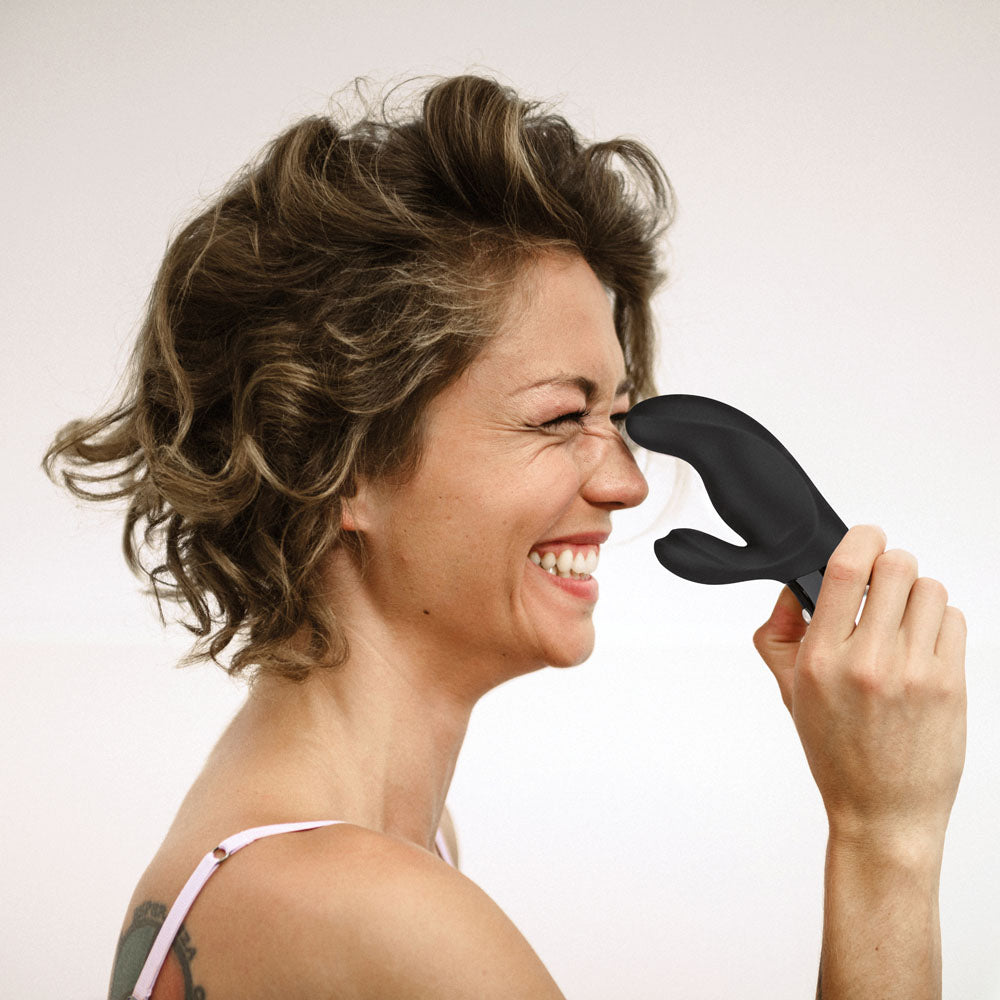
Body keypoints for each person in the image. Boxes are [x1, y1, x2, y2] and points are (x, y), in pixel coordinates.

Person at [43, 74, 967, 1000]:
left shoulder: (351, 841)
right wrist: (885, 836)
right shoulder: (368, 906)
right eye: (561, 417)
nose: (626, 482)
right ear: (337, 461)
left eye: (619, 416)